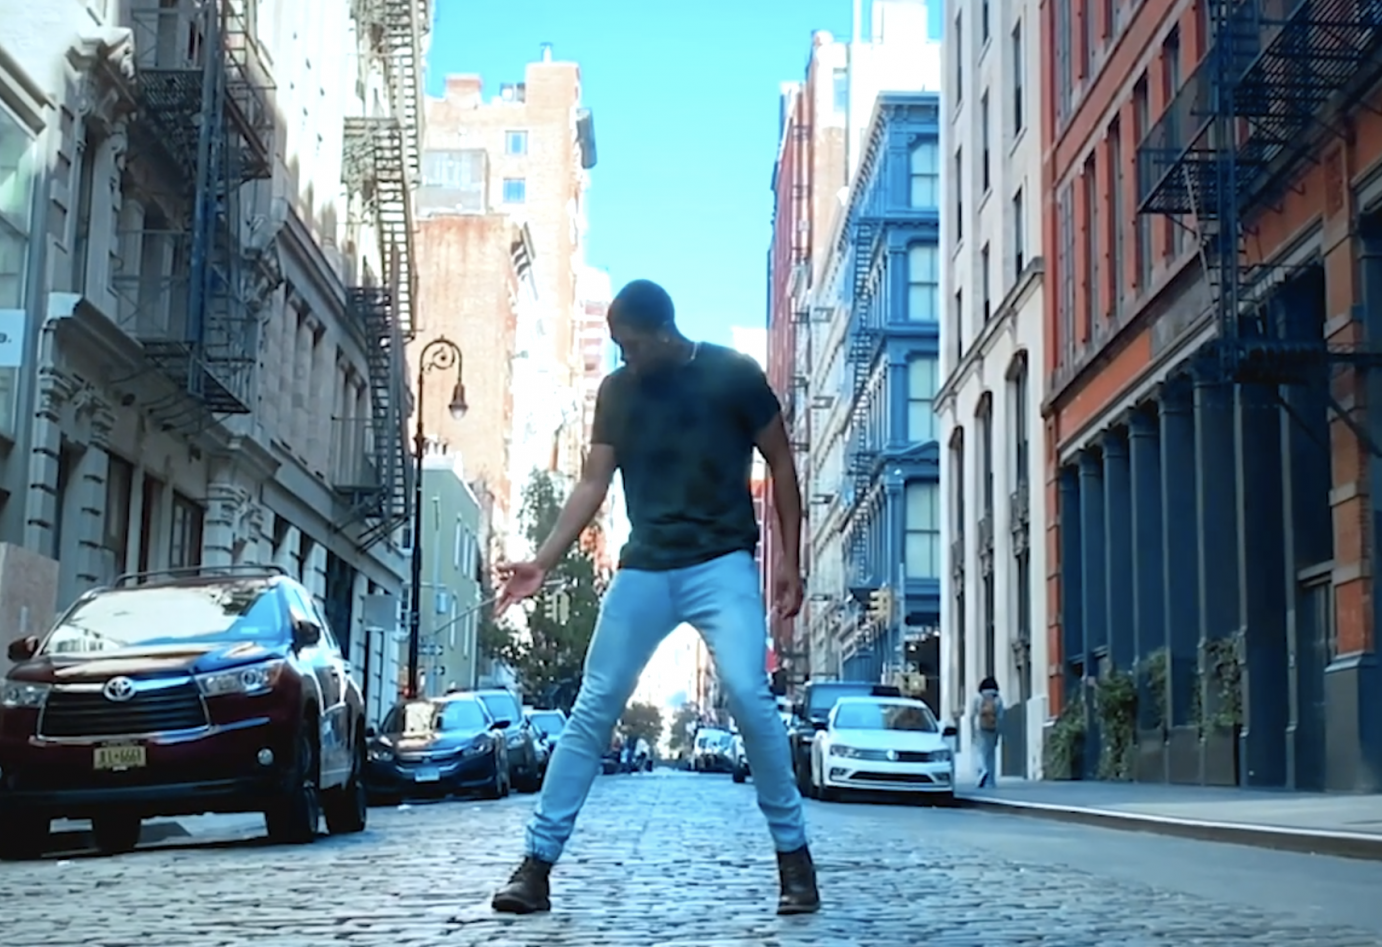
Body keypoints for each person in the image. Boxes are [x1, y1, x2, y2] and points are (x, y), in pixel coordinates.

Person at [489, 279, 820, 916]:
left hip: (722, 563)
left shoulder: (733, 374)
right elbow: (593, 483)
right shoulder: (618, 392)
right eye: (616, 348)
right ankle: (534, 867)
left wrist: (791, 562)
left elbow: (781, 462)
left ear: (664, 333)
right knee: (593, 707)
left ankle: (794, 862)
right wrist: (542, 560)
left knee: (751, 696)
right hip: (645, 568)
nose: (624, 359)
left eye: (631, 346)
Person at [971, 676, 1005, 788]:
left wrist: (972, 730)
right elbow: (1000, 717)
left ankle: (982, 771)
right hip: (992, 727)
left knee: (980, 752)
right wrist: (999, 732)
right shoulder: (998, 698)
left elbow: (972, 714)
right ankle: (991, 780)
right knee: (991, 755)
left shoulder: (978, 697)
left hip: (979, 727)